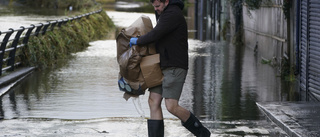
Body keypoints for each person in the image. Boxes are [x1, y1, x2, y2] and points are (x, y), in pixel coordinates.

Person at [129, 0, 211, 136]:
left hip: (175, 66)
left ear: (166, 1)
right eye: (154, 6)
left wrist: (138, 41)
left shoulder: (172, 14)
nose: (156, 9)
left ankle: (203, 134)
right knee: (153, 101)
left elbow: (156, 34)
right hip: (162, 65)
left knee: (171, 106)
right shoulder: (165, 12)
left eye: (158, 6)